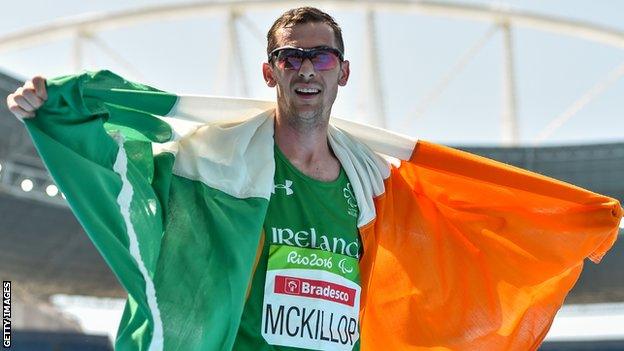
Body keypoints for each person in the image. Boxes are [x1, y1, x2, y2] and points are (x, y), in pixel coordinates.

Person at [5, 7, 622, 351]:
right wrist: (59, 116)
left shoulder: (376, 187)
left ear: (342, 72)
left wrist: (563, 220)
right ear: (270, 73)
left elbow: (469, 229)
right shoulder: (213, 164)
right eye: (290, 57)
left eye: (319, 56)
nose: (306, 68)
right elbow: (127, 175)